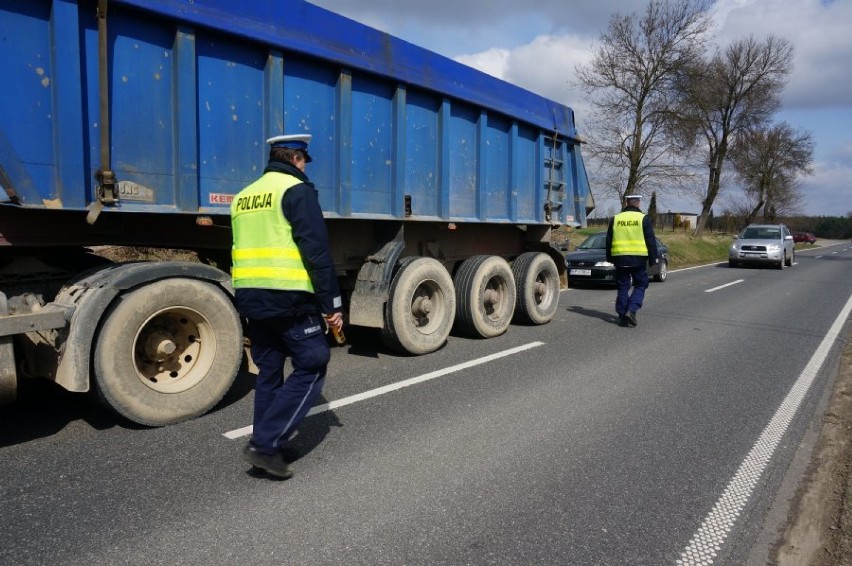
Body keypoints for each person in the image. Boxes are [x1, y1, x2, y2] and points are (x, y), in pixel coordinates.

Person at [230, 133, 343, 479]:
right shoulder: (297, 191)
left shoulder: (244, 196)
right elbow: (316, 252)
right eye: (305, 161)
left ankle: (271, 442)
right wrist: (332, 305)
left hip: (252, 297)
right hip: (290, 297)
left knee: (270, 371)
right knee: (313, 362)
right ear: (297, 159)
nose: (306, 167)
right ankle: (264, 445)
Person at [605, 194, 658, 327]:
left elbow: (608, 240)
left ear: (626, 203)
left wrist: (609, 258)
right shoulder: (643, 218)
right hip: (638, 259)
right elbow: (650, 241)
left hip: (620, 258)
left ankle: (622, 317)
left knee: (623, 286)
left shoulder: (616, 219)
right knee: (641, 284)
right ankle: (631, 310)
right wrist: (653, 259)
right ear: (638, 203)